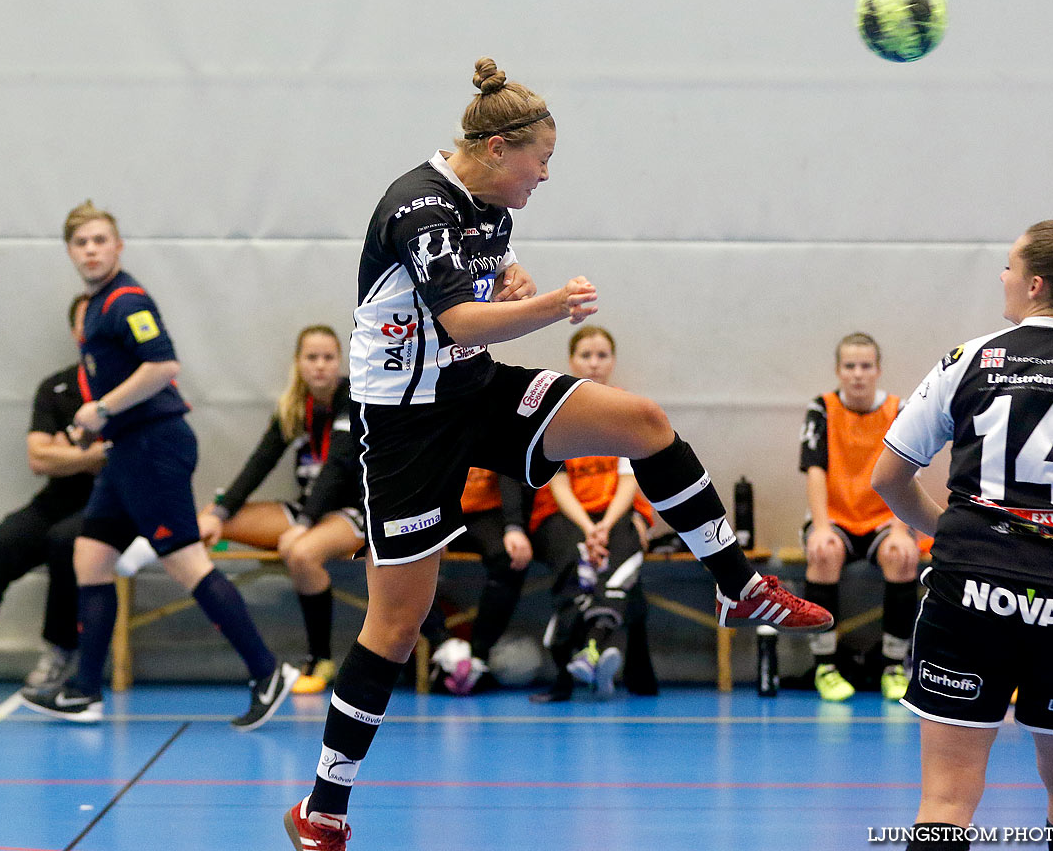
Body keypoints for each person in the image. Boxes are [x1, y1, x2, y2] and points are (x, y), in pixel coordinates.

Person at [283, 58, 832, 849]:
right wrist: (548, 305)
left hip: (473, 393)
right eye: (540, 160)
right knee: (395, 625)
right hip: (404, 426)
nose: (544, 177)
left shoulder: (489, 209)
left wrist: (506, 277)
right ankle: (324, 810)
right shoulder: (419, 205)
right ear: (499, 147)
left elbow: (475, 294)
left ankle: (737, 587)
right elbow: (458, 321)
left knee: (642, 421)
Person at [871, 220, 1053, 851]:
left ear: (1034, 284)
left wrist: (946, 531)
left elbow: (889, 475)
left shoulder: (971, 358)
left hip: (967, 595)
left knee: (946, 797)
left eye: (1008, 266)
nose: (1001, 278)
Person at [21, 201, 296, 728]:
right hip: (126, 450)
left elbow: (163, 364)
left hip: (154, 447)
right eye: (81, 243)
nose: (92, 250)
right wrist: (94, 422)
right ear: (71, 253)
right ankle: (83, 692)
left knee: (185, 561)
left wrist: (101, 408)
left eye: (101, 240)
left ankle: (267, 671)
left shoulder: (126, 300)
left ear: (117, 246)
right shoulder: (96, 307)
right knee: (91, 558)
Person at [0, 295, 107, 695]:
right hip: (57, 499)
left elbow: (125, 458)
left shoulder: (133, 386)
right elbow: (38, 457)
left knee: (66, 541)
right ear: (75, 333)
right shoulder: (57, 387)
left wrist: (69, 451)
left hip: (109, 505)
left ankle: (60, 650)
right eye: (86, 324)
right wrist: (92, 454)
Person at [197, 325, 366, 695]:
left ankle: (319, 659)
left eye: (328, 358)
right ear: (299, 363)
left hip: (353, 513)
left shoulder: (352, 397)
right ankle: (217, 611)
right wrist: (221, 513)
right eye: (311, 357)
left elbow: (338, 465)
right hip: (308, 508)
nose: (320, 366)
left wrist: (304, 524)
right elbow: (259, 464)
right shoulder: (294, 405)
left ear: (340, 362)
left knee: (301, 553)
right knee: (207, 520)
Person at [527, 325, 657, 703]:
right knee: (575, 563)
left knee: (624, 559)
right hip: (564, 515)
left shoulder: (627, 409)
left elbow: (628, 480)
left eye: (602, 356)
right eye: (586, 355)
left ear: (612, 362)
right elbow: (558, 483)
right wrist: (588, 529)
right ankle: (563, 676)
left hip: (612, 513)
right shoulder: (553, 411)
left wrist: (606, 526)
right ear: (571, 361)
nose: (594, 363)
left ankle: (593, 651)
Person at [798, 332, 921, 703]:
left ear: (878, 370)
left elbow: (907, 470)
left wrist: (901, 529)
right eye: (849, 366)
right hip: (835, 516)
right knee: (824, 552)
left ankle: (894, 666)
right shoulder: (821, 408)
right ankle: (825, 665)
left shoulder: (899, 410)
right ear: (838, 370)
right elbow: (814, 469)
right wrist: (820, 528)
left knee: (903, 556)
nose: (857, 374)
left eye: (865, 366)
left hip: (884, 516)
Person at [424, 466, 535, 695]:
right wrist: (431, 520)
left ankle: (476, 658)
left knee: (510, 559)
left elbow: (509, 469)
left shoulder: (493, 429)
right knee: (403, 558)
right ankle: (446, 647)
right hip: (434, 511)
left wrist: (514, 526)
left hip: (485, 513)